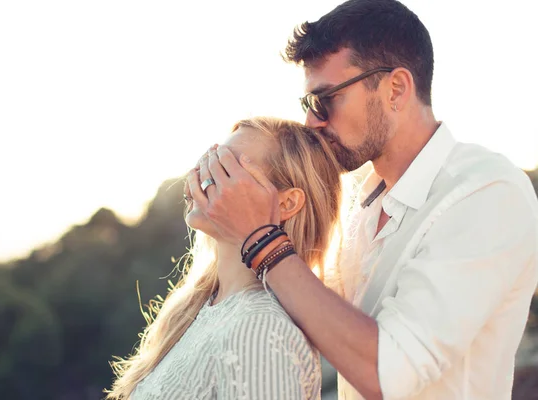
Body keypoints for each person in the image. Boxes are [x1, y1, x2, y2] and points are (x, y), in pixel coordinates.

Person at [186, 0, 538, 399]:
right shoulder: (365, 205)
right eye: (308, 105)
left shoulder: (486, 194)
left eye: (326, 100)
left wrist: (261, 238)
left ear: (396, 88)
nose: (312, 122)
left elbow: (387, 371)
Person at [106, 117, 347, 399]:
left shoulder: (261, 328)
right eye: (211, 157)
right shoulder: (199, 309)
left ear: (286, 203)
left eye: (226, 166)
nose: (201, 172)